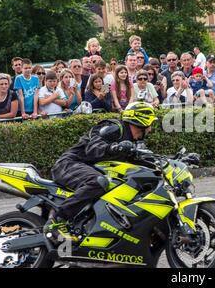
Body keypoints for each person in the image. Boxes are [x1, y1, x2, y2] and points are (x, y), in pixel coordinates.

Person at [45, 102, 158, 240]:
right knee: (97, 182)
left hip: (86, 168)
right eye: (150, 124)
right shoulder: (114, 128)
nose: (150, 129)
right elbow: (93, 147)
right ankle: (56, 219)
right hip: (69, 164)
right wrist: (113, 148)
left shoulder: (130, 142)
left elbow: (144, 161)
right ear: (142, 121)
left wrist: (168, 165)